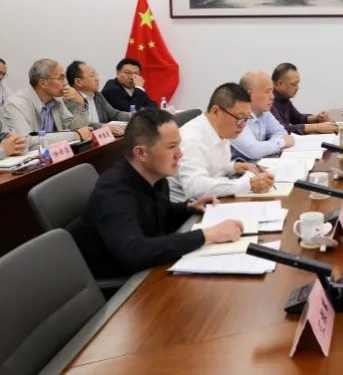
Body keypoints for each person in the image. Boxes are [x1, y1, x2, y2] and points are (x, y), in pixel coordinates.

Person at [70, 110, 245, 279]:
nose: (180, 154)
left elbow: (157, 215)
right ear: (141, 153)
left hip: (151, 268)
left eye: (179, 144)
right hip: (126, 284)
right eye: (171, 146)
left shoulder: (156, 176)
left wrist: (188, 208)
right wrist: (207, 235)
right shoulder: (113, 192)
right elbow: (135, 252)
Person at [169, 83, 275, 202]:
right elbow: (195, 188)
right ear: (216, 111)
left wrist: (234, 167)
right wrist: (247, 184)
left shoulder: (221, 130)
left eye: (246, 119)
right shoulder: (191, 139)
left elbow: (211, 166)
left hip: (216, 198)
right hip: (190, 207)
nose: (243, 125)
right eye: (240, 118)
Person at [1, 58, 93, 148]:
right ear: (43, 83)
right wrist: (74, 135)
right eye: (61, 78)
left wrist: (81, 104)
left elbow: (77, 130)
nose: (65, 83)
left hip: (57, 153)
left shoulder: (57, 100)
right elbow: (25, 141)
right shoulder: (15, 104)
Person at [230, 70, 294, 160]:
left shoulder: (264, 111)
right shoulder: (234, 115)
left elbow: (281, 132)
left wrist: (266, 147)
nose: (272, 97)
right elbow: (254, 151)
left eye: (272, 91)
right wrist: (281, 142)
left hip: (257, 164)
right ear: (249, 95)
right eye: (267, 92)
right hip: (234, 167)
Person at [64, 60, 131, 137]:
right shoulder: (70, 99)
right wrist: (103, 127)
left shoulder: (97, 95)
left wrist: (134, 116)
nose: (97, 79)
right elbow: (78, 125)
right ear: (78, 82)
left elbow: (114, 114)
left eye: (96, 75)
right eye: (92, 75)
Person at [270, 63, 337, 135]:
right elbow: (281, 129)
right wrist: (315, 127)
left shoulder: (283, 97)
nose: (297, 88)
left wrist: (316, 118)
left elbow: (296, 118)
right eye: (294, 84)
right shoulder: (268, 100)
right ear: (280, 83)